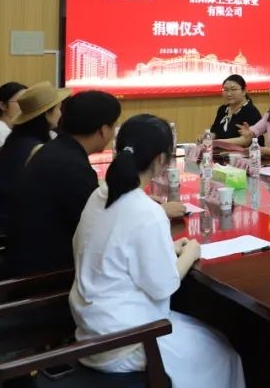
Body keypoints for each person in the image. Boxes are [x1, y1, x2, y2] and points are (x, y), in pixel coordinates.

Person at [70, 115, 245, 388]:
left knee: (211, 338)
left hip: (92, 330)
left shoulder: (101, 194)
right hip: (127, 341)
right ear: (162, 159)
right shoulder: (147, 212)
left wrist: (170, 248)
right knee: (225, 355)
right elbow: (163, 285)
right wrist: (191, 251)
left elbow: (116, 250)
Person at [6, 91, 123, 276]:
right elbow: (99, 228)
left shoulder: (56, 150)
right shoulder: (71, 166)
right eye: (114, 125)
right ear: (103, 130)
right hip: (47, 275)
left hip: (29, 258)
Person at [0, 81, 68, 233]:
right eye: (58, 108)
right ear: (47, 114)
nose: (60, 114)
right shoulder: (36, 150)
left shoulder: (16, 139)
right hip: (16, 228)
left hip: (4, 219)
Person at [209, 74, 261, 140]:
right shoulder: (222, 109)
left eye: (233, 89)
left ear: (244, 91)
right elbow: (215, 132)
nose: (229, 94)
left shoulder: (251, 111)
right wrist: (207, 137)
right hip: (220, 146)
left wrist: (222, 142)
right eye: (226, 90)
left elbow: (249, 139)